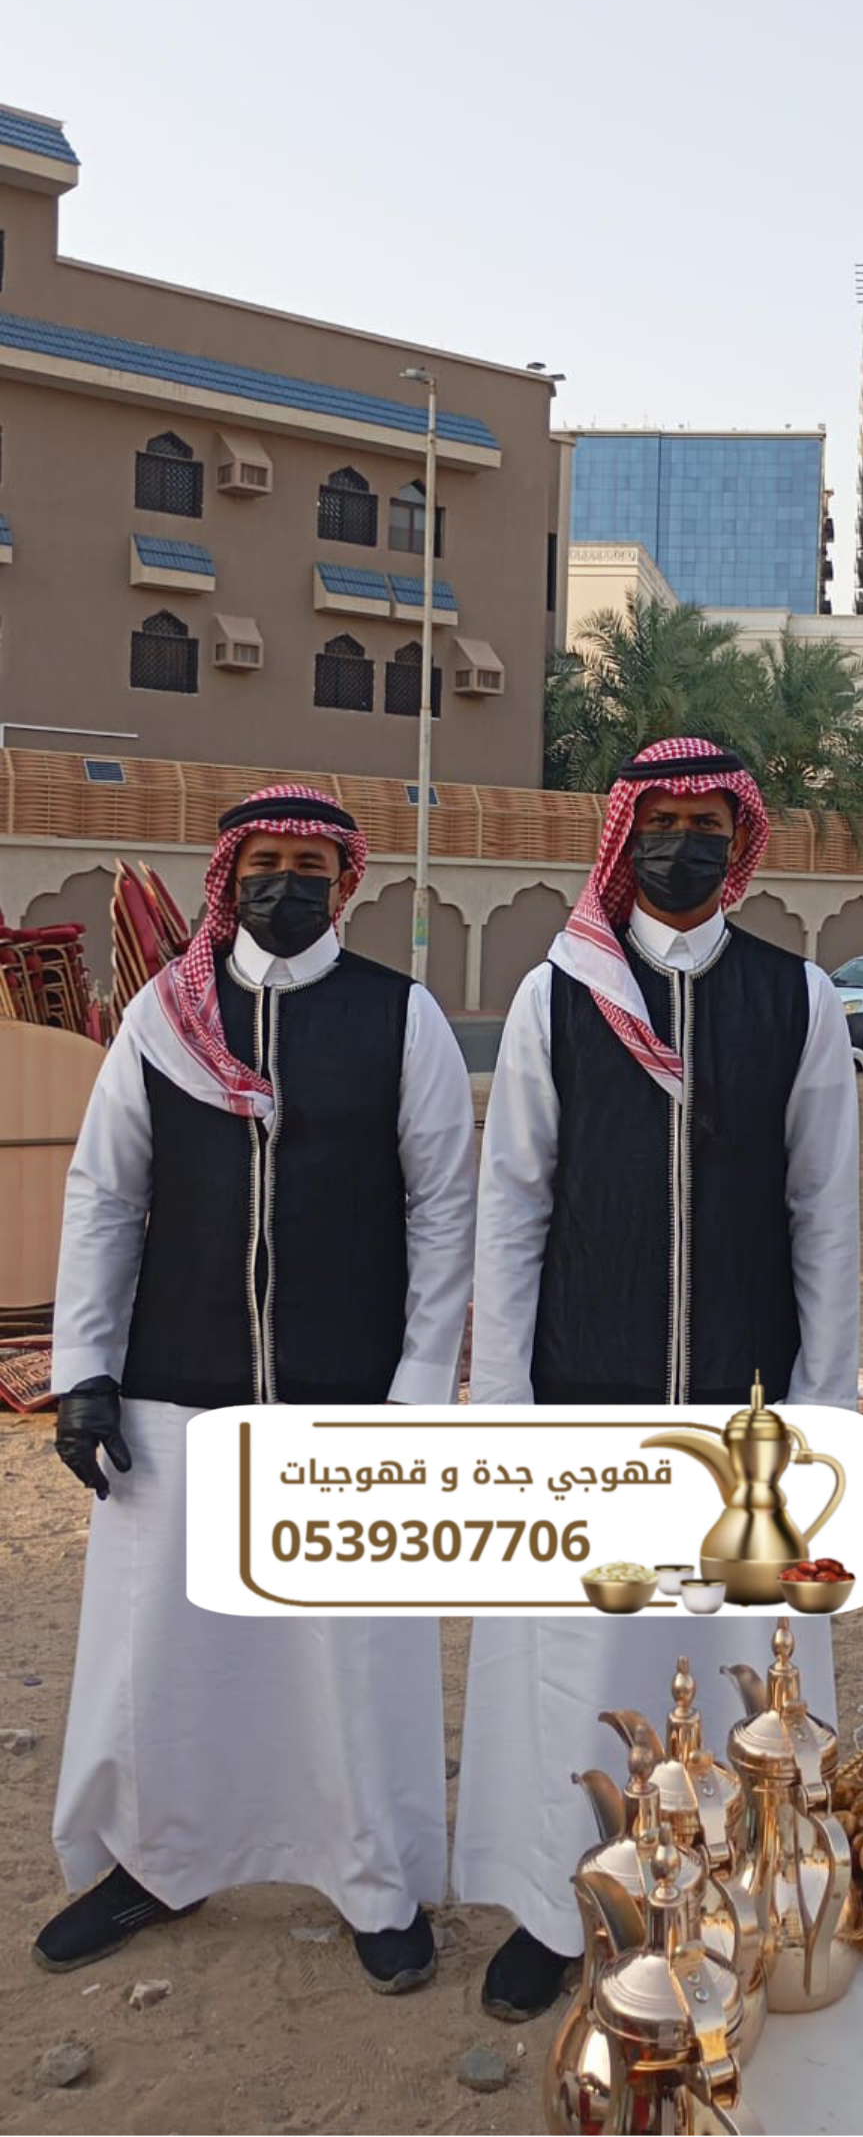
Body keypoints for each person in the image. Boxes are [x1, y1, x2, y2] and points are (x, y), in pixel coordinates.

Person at [37, 784, 476, 1993]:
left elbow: (445, 1209)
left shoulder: (399, 1015)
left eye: (309, 863)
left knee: (354, 1659)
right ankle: (152, 1863)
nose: (286, 881)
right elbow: (106, 1195)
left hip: (346, 1395)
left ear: (345, 881)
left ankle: (375, 1880)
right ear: (231, 874)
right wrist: (85, 1373)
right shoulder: (163, 1015)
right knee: (163, 1657)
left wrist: (417, 1391)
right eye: (265, 860)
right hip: (178, 1389)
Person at [453, 735, 859, 2020]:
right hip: (585, 1389)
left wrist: (823, 1405)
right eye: (661, 822)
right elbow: (512, 1204)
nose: (681, 844)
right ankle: (555, 1904)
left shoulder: (793, 996)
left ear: (737, 841)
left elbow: (822, 1213)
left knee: (742, 1657)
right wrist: (502, 1405)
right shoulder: (557, 993)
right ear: (624, 836)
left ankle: (747, 1892)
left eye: (705, 824)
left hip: (745, 1403)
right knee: (577, 1663)